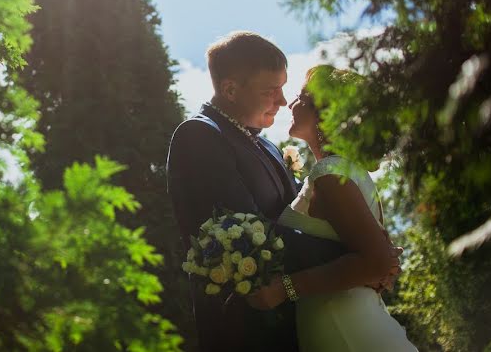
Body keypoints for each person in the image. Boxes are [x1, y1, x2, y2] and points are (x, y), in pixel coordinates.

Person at [167, 33, 400, 351]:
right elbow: (246, 232)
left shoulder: (270, 148)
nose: (282, 100)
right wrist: (361, 258)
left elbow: (302, 223)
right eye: (270, 90)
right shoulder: (199, 135)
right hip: (245, 330)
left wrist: (369, 253)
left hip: (299, 323)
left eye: (284, 88)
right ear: (231, 90)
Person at [250, 65, 418, 351]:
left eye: (302, 97)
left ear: (326, 112)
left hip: (346, 327)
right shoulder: (345, 171)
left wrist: (282, 289)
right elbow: (380, 259)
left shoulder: (331, 173)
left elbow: (377, 261)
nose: (291, 103)